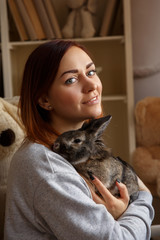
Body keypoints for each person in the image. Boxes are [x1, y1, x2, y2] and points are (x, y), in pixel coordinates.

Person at [4, 40, 154, 240]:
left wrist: (123, 213)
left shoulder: (73, 153)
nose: (92, 85)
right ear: (44, 100)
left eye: (91, 72)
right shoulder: (47, 167)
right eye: (71, 80)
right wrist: (143, 198)